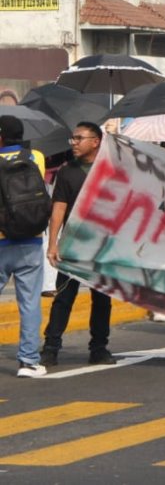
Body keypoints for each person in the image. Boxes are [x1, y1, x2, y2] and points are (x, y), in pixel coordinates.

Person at [41, 122, 115, 368]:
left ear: (96, 141)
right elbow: (58, 208)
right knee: (63, 298)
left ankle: (99, 348)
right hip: (73, 244)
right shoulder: (67, 171)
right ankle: (50, 347)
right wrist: (53, 243)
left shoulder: (111, 171)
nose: (73, 143)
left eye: (78, 138)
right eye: (72, 138)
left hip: (103, 246)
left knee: (102, 300)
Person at [0, 116, 48, 377]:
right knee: (29, 303)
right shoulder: (36, 157)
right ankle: (29, 361)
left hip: (1, 239)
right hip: (31, 238)